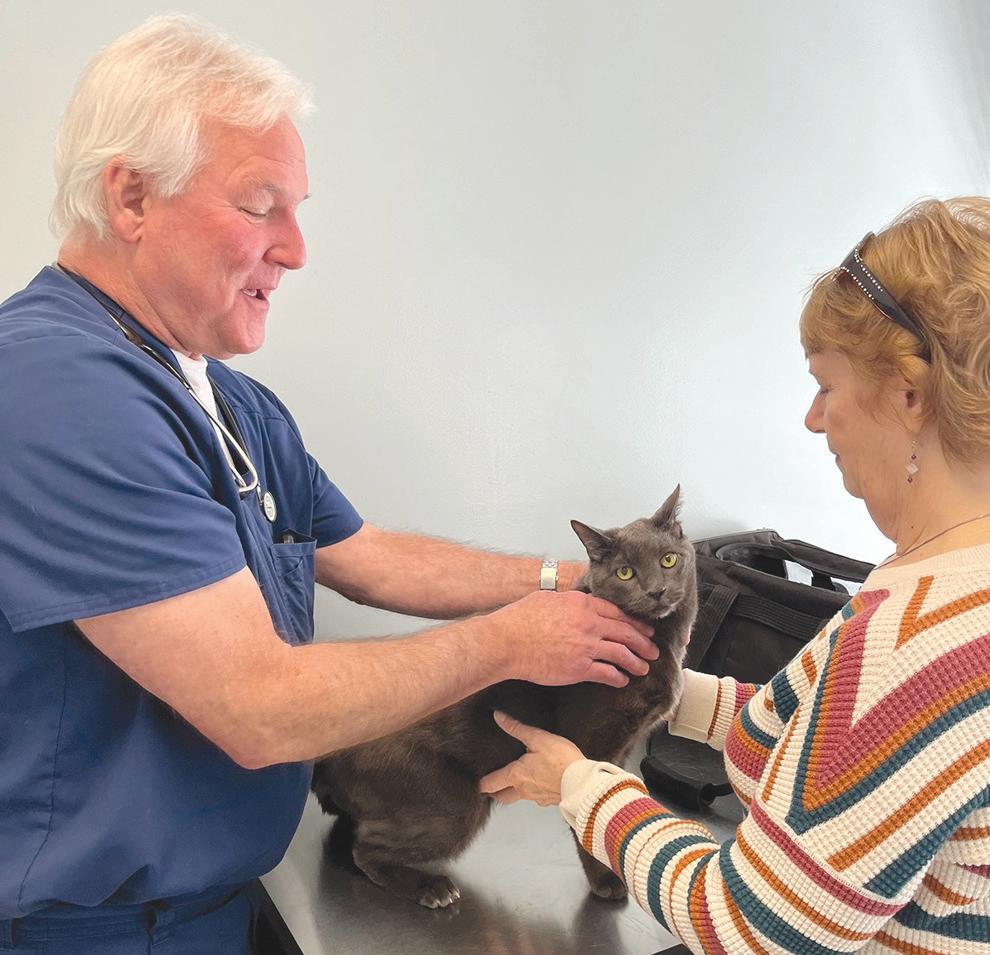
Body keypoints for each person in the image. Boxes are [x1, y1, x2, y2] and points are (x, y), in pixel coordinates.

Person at [0, 15, 660, 953]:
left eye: (297, 209)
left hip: (215, 901)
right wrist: (512, 640)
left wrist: (574, 581)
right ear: (133, 195)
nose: (297, 248)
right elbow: (258, 704)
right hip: (93, 930)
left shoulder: (228, 399)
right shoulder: (59, 390)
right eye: (260, 205)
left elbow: (368, 556)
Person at [481, 198, 990, 953]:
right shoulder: (935, 580)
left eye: (826, 385)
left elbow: (749, 923)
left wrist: (580, 785)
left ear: (909, 396)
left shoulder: (922, 640)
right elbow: (815, 738)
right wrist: (654, 681)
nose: (813, 419)